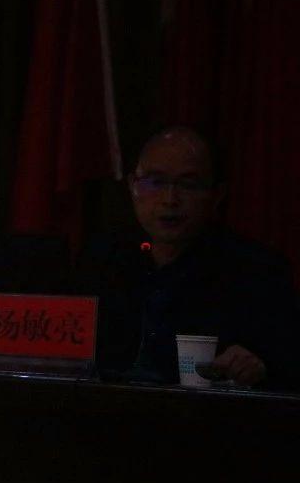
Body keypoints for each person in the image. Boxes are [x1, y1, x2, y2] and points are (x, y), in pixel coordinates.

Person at [77, 126, 299, 389]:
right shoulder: (101, 260)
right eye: (155, 182)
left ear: (217, 195)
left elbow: (284, 363)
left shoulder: (256, 271)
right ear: (132, 187)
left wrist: (256, 366)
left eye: (189, 185)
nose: (170, 199)